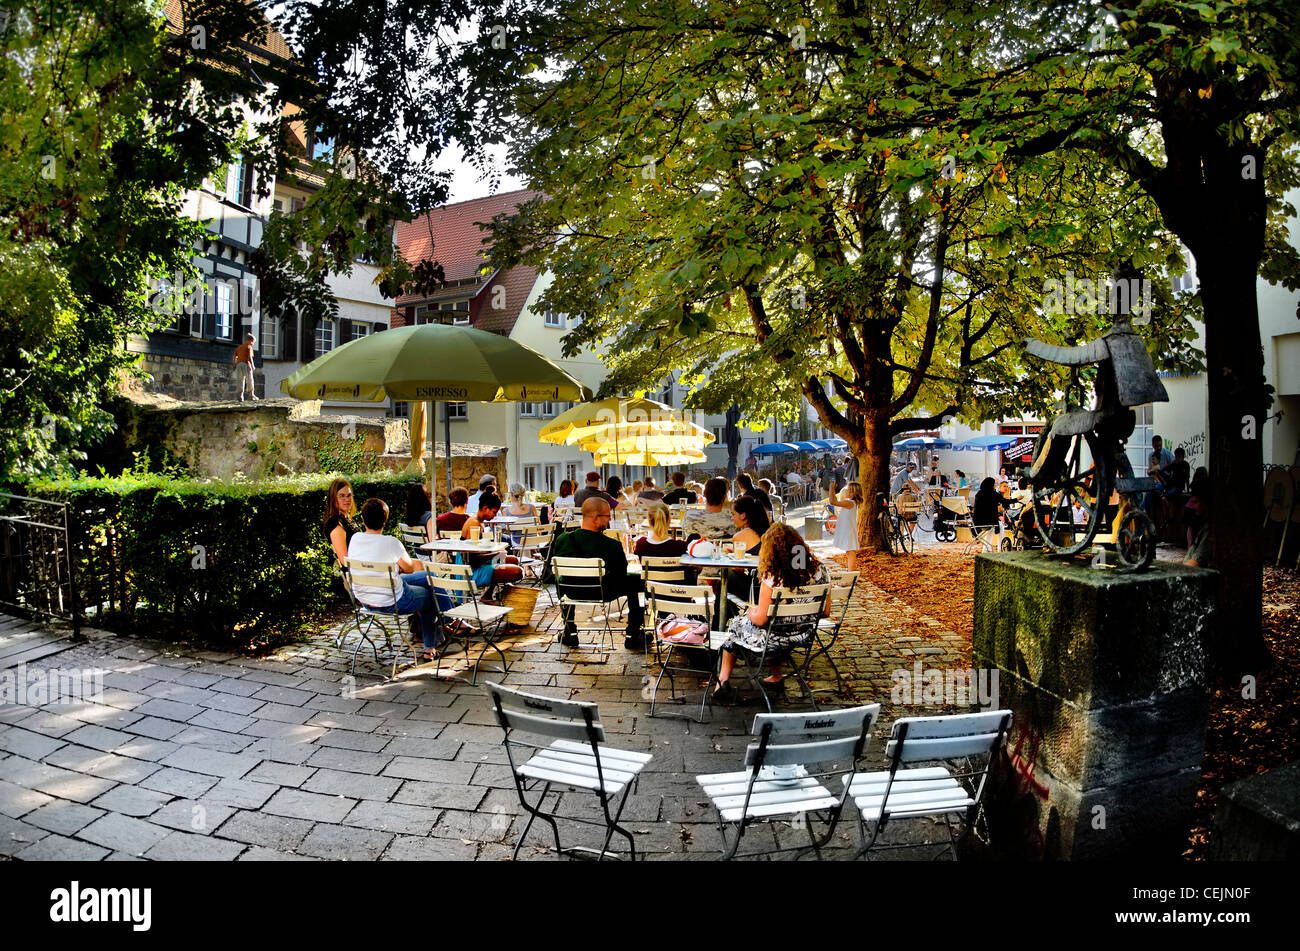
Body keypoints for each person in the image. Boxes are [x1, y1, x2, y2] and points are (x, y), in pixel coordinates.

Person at [713, 523, 832, 701]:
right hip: (804, 634)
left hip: (773, 637)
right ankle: (776, 676)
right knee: (771, 626)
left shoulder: (772, 576)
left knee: (736, 625)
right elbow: (826, 612)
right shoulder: (820, 571)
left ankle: (722, 681)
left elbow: (760, 619)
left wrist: (750, 612)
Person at [346, 498, 452, 662]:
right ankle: (439, 633)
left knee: (428, 577)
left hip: (365, 600)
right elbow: (409, 568)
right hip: (393, 601)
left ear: (363, 519)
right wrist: (400, 566)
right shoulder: (390, 542)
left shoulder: (355, 539)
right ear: (385, 520)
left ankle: (448, 620)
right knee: (429, 592)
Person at [547, 497, 646, 650]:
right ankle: (633, 634)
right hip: (603, 593)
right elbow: (621, 574)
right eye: (607, 516)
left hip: (572, 592)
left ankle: (569, 631)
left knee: (561, 578)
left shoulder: (563, 539)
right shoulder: (612, 545)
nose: (609, 520)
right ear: (595, 518)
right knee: (637, 581)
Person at [460, 492, 524, 594]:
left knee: (514, 560)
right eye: (494, 512)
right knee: (517, 572)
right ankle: (490, 594)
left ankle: (489, 594)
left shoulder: (478, 521)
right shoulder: (474, 524)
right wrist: (495, 555)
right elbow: (472, 558)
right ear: (485, 508)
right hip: (471, 570)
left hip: (475, 563)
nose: (494, 516)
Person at [682, 477, 736, 541]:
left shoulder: (689, 517)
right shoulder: (734, 522)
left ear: (704, 494)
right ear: (724, 496)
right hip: (724, 550)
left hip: (697, 550)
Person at [322, 479, 358, 566]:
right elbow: (345, 561)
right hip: (350, 575)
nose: (347, 499)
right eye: (342, 496)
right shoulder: (336, 524)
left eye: (349, 495)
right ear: (334, 499)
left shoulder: (348, 519)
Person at [1184, 466, 1211, 566]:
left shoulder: (1209, 530)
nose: (1193, 506)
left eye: (1196, 502)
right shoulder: (1204, 527)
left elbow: (1195, 563)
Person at [828, 481, 862, 552]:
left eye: (848, 490)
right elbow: (834, 501)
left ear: (853, 493)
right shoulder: (849, 502)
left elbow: (832, 502)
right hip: (847, 529)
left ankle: (851, 563)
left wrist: (831, 488)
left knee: (850, 550)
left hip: (848, 530)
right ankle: (850, 563)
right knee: (848, 550)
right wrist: (833, 490)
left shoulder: (850, 503)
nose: (845, 491)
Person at [233, 332, 258, 401]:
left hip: (239, 364)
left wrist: (234, 364)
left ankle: (240, 396)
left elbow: (235, 356)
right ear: (249, 341)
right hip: (246, 364)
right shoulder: (249, 347)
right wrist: (253, 365)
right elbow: (250, 357)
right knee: (249, 379)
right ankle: (251, 395)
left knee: (240, 380)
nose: (252, 344)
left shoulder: (239, 347)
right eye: (252, 342)